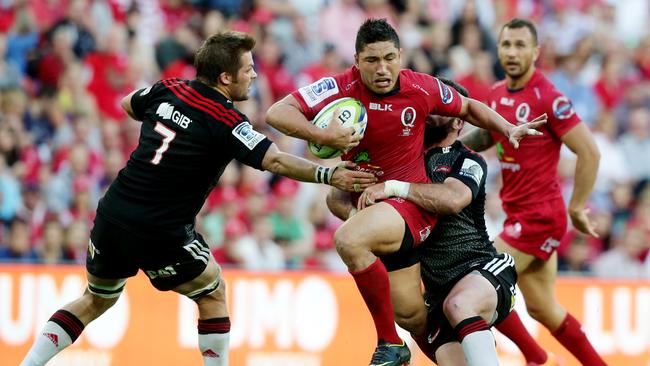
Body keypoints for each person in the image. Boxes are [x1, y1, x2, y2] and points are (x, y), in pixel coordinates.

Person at [20, 31, 377, 366]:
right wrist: (328, 173)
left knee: (95, 298)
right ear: (225, 78)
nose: (254, 76)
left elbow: (130, 103)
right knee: (213, 292)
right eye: (248, 70)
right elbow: (276, 159)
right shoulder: (226, 120)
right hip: (159, 230)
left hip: (113, 214)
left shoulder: (168, 88)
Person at [266, 18, 543, 366]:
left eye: (389, 58)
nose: (382, 68)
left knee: (349, 240)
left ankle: (388, 344)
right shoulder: (339, 87)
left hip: (410, 208)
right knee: (414, 318)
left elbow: (469, 107)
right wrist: (324, 140)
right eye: (372, 60)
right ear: (356, 61)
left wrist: (507, 128)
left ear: (401, 56)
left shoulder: (422, 89)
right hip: (381, 214)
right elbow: (277, 112)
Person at [329, 78, 518, 366]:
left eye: (441, 107)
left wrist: (393, 188)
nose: (430, 110)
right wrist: (364, 219)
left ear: (459, 122)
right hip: (437, 295)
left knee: (460, 304)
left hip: (482, 270)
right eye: (430, 105)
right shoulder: (404, 156)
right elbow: (336, 197)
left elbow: (453, 198)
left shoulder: (468, 160)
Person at [461, 18, 605, 366]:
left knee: (477, 280)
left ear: (536, 52)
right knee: (542, 308)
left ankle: (537, 357)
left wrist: (578, 207)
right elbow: (487, 137)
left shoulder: (549, 98)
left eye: (520, 45)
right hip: (518, 215)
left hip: (540, 217)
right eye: (506, 45)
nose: (512, 52)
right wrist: (446, 152)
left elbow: (589, 151)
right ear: (498, 49)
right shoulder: (496, 93)